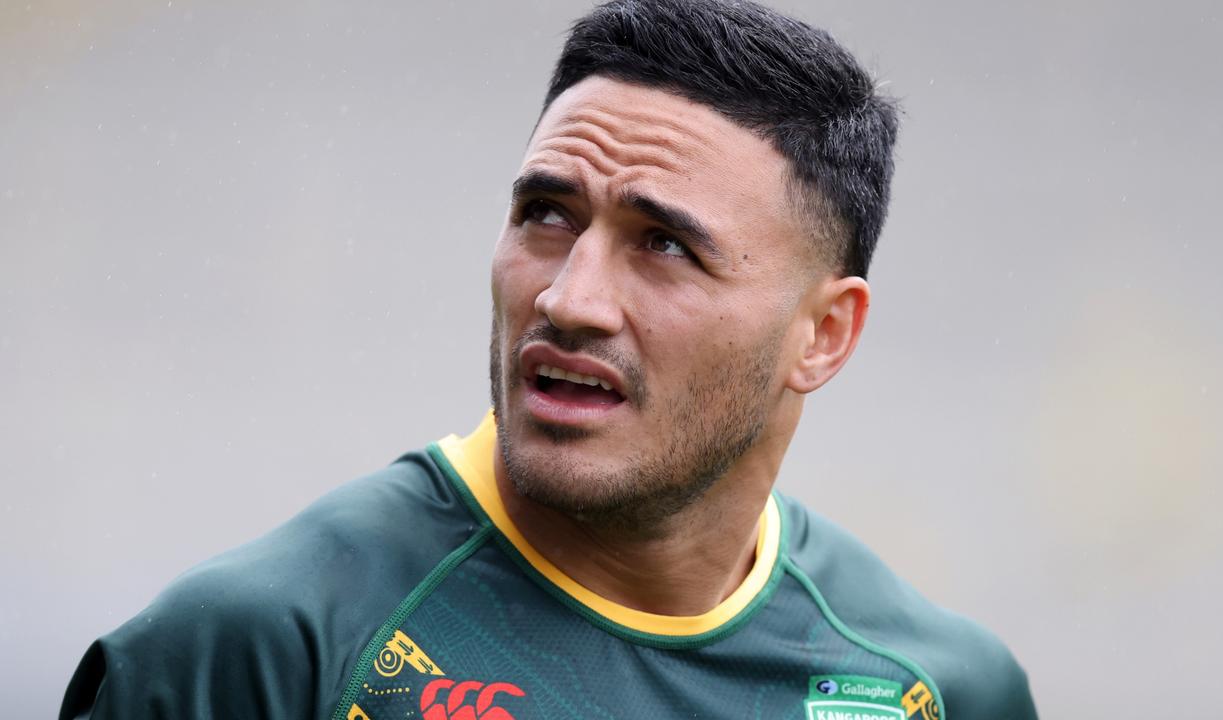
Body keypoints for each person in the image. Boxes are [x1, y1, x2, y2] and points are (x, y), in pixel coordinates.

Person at [60, 1, 1037, 718]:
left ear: (822, 334)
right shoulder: (262, 652)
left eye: (663, 245)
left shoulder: (934, 689)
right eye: (545, 214)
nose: (568, 299)